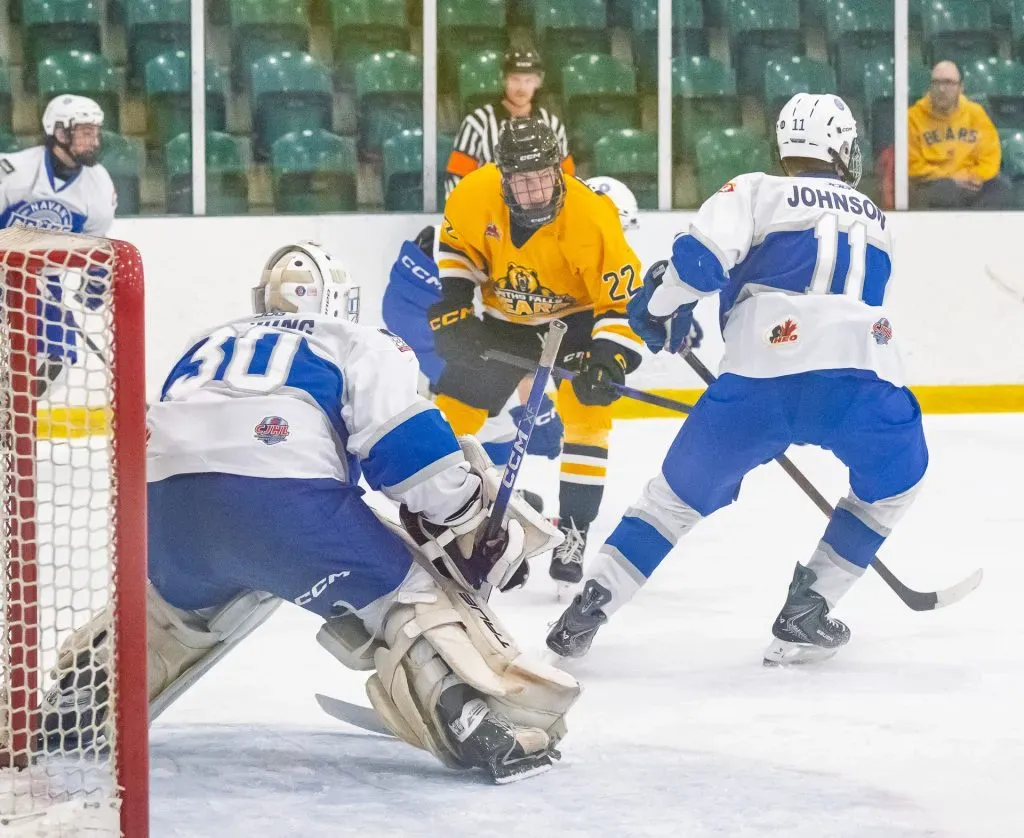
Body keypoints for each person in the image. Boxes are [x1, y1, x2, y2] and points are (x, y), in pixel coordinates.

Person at [33, 241, 580, 784]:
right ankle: (470, 718)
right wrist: (471, 518)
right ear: (341, 300)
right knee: (409, 598)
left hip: (164, 509)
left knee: (174, 611)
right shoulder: (362, 340)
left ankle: (86, 690)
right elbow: (412, 456)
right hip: (288, 507)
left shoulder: (208, 340)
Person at [547, 93, 928, 667]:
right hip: (864, 381)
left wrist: (659, 307)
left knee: (671, 502)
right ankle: (811, 605)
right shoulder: (876, 220)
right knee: (898, 480)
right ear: (842, 147)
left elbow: (700, 264)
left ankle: (591, 603)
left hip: (759, 381)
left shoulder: (755, 189)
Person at [431, 116, 645, 590]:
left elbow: (621, 302)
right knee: (450, 411)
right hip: (505, 320)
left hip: (577, 320)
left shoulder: (592, 216)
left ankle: (573, 530)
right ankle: (450, 517)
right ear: (504, 176)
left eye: (544, 179)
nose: (535, 193)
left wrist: (610, 357)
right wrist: (454, 308)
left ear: (558, 172)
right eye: (523, 182)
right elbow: (456, 251)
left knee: (587, 413)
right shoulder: (473, 194)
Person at [381, 224, 565, 479]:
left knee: (483, 393)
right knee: (487, 395)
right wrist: (540, 411)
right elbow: (516, 345)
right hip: (427, 310)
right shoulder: (539, 258)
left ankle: (469, 481)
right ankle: (440, 480)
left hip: (407, 301)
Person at [0, 95, 117, 395]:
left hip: (43, 281)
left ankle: (12, 414)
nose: (94, 140)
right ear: (61, 133)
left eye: (95, 132)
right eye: (85, 132)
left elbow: (96, 246)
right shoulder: (15, 171)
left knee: (60, 353)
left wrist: (92, 287)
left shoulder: (98, 186)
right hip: (4, 273)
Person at [445, 43, 574, 197]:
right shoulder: (477, 123)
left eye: (528, 80)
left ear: (538, 82)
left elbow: (567, 178)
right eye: (515, 79)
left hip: (541, 214)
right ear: (503, 79)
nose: (521, 87)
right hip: (489, 215)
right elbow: (456, 179)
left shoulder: (552, 125)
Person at [908, 59, 1011, 209]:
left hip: (973, 183)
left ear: (961, 87)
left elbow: (990, 156)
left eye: (949, 83)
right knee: (946, 191)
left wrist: (974, 177)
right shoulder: (912, 118)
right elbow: (913, 166)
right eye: (936, 83)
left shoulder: (976, 113)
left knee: (1002, 188)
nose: (942, 89)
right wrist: (952, 178)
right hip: (935, 184)